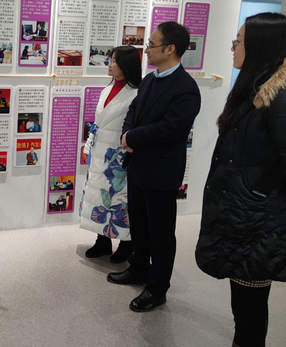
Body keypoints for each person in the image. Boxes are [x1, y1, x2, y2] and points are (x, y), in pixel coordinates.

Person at [195, 13, 286, 347]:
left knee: (250, 306)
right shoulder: (254, 88)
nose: (232, 47)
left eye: (238, 41)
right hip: (244, 212)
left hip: (259, 217)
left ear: (259, 46)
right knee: (243, 301)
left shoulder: (284, 96)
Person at [108, 21, 201, 313]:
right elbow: (133, 110)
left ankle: (157, 288)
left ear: (170, 49)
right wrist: (127, 132)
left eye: (151, 44)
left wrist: (132, 137)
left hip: (161, 171)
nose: (146, 50)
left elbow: (170, 129)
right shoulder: (150, 79)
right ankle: (138, 267)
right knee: (139, 224)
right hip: (138, 165)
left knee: (161, 233)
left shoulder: (186, 88)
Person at [79, 46, 142, 263]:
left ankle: (126, 244)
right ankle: (102, 241)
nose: (110, 64)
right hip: (99, 152)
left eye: (114, 61)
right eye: (110, 60)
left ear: (127, 65)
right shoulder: (106, 89)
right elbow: (97, 123)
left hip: (119, 156)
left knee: (120, 200)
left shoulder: (136, 93)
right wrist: (88, 146)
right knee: (99, 196)